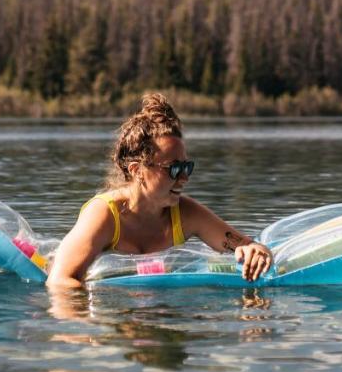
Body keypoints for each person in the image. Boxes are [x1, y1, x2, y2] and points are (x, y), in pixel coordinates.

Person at [46, 93, 273, 288]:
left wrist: (254, 251)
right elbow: (60, 280)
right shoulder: (104, 214)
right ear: (137, 170)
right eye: (174, 168)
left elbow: (248, 245)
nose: (184, 177)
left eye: (186, 166)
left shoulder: (185, 213)